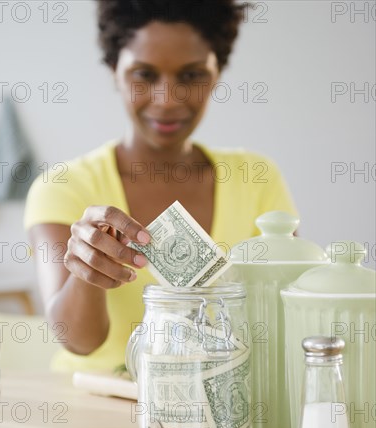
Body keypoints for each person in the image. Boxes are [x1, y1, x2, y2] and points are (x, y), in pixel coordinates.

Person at [24, 0, 298, 372]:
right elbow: (79, 342)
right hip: (94, 406)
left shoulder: (257, 177)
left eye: (191, 76)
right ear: (113, 71)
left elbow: (290, 313)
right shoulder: (62, 186)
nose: (167, 100)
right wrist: (85, 270)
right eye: (144, 75)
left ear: (218, 72)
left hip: (219, 413)